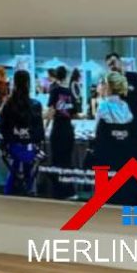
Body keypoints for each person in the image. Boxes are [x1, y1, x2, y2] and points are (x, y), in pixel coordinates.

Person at [92, 72, 137, 206]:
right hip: (124, 153)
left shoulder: (103, 106)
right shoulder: (125, 106)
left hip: (106, 153)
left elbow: (96, 130)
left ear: (108, 86)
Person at [0, 70, 45, 196]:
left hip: (13, 149)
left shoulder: (8, 105)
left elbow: (3, 129)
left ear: (14, 83)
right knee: (29, 170)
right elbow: (39, 133)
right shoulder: (36, 105)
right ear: (28, 84)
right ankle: (29, 191)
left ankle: (9, 194)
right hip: (30, 150)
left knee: (14, 171)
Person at [45, 65, 79, 198]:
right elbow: (74, 113)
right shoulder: (70, 92)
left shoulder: (54, 90)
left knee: (56, 160)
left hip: (58, 129)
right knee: (67, 161)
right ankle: (69, 191)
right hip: (68, 129)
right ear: (66, 76)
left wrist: (45, 127)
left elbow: (51, 111)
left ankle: (57, 191)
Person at [105, 52, 137, 130]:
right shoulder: (110, 82)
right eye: (109, 65)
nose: (112, 66)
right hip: (118, 122)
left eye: (113, 62)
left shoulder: (133, 77)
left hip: (134, 120)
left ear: (119, 61)